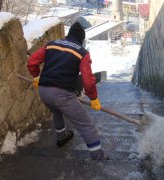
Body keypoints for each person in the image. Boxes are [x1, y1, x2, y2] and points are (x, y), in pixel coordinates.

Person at [27, 21, 108, 160]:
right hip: (62, 95)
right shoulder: (82, 53)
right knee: (86, 124)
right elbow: (88, 80)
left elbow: (32, 62)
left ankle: (61, 136)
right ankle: (98, 157)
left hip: (44, 91)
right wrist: (93, 98)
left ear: (69, 35)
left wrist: (36, 76)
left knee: (57, 110)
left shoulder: (51, 44)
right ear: (81, 39)